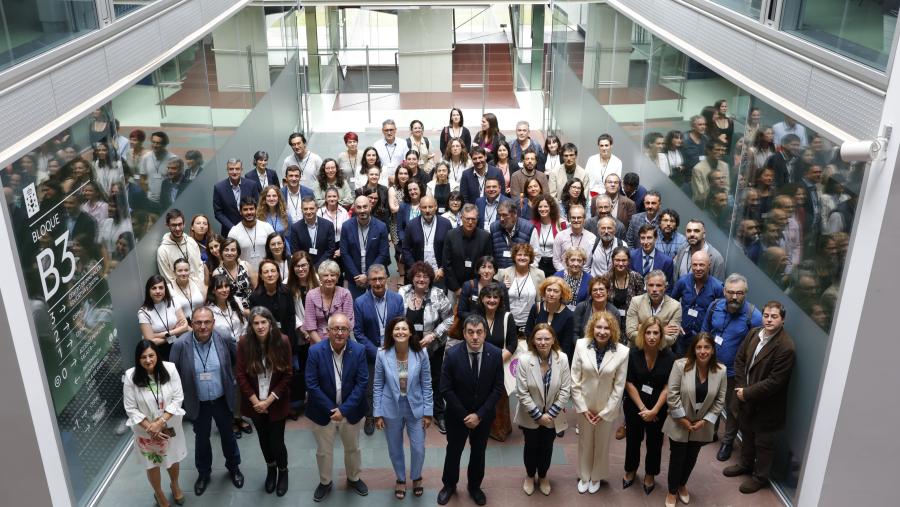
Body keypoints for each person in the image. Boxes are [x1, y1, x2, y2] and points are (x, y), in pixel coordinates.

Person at [168, 307, 244, 496]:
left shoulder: (224, 337)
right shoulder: (180, 345)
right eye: (198, 322)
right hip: (198, 402)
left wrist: (233, 382)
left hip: (221, 399)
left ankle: (234, 467)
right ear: (191, 323)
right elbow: (173, 375)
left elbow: (236, 361)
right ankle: (203, 474)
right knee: (201, 439)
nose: (203, 326)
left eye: (207, 322)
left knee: (228, 435)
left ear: (213, 323)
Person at [724, 301, 796, 494]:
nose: (769, 320)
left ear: (782, 320)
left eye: (774, 316)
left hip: (767, 406)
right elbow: (739, 360)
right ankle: (745, 465)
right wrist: (741, 388)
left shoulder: (786, 347)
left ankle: (760, 478)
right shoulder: (754, 333)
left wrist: (746, 393)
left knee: (764, 444)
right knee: (747, 434)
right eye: (766, 315)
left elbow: (774, 382)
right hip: (745, 398)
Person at [437, 314, 505, 506]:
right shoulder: (452, 354)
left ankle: (474, 486)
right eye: (470, 332)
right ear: (464, 334)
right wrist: (465, 415)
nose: (475, 337)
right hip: (457, 416)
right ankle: (449, 485)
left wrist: (479, 415)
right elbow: (445, 388)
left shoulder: (495, 354)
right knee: (453, 451)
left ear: (485, 333)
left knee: (479, 452)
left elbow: (497, 388)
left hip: (483, 416)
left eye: (479, 332)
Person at [305, 312, 370, 502]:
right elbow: (311, 384)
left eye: (344, 329)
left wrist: (344, 410)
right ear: (328, 330)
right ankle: (325, 482)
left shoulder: (359, 350)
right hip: (322, 412)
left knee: (353, 448)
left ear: (349, 331)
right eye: (335, 328)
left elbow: (362, 383)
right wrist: (333, 410)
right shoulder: (315, 351)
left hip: (351, 411)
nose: (340, 333)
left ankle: (354, 478)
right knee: (323, 451)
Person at [701, 273, 763, 462]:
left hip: (734, 373)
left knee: (733, 409)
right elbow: (705, 331)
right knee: (710, 400)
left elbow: (756, 350)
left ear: (745, 293)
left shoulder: (754, 317)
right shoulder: (714, 306)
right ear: (724, 292)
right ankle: (710, 433)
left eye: (739, 293)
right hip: (711, 367)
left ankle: (728, 442)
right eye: (730, 292)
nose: (734, 297)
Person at [663, 333, 727, 507]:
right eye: (699, 347)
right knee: (677, 458)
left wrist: (704, 421)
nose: (702, 351)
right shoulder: (680, 365)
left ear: (713, 350)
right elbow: (672, 395)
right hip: (679, 422)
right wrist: (682, 419)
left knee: (692, 457)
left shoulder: (721, 371)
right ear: (693, 349)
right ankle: (672, 491)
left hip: (701, 425)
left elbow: (720, 400)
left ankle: (682, 484)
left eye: (707, 347)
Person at [373, 317, 433, 499]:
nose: (400, 332)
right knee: (394, 447)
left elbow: (427, 383)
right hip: (390, 407)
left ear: (410, 332)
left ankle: (416, 476)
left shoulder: (421, 354)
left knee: (418, 448)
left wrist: (428, 412)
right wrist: (377, 413)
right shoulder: (382, 354)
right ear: (391, 333)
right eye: (397, 329)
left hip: (416, 407)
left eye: (404, 329)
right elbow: (377, 384)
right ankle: (400, 478)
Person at [235, 307, 293, 496]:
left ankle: (283, 471)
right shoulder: (244, 343)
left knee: (277, 441)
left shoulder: (283, 341)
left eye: (263, 322)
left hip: (275, 401)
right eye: (256, 323)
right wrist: (255, 401)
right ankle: (271, 469)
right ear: (251, 326)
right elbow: (240, 375)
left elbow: (287, 374)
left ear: (270, 323)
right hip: (254, 403)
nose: (260, 326)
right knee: (263, 440)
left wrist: (268, 401)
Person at [570, 310, 629, 494]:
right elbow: (575, 379)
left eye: (606, 328)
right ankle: (584, 475)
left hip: (606, 407)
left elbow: (619, 386)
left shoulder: (622, 352)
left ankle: (596, 476)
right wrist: (582, 407)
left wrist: (606, 412)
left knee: (602, 444)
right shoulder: (581, 345)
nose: (602, 332)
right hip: (584, 405)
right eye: (599, 327)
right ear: (592, 328)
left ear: (613, 330)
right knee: (585, 442)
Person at [123, 340, 187, 507]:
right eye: (143, 357)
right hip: (146, 431)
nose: (148, 360)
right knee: (152, 463)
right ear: (138, 359)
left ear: (157, 355)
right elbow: (130, 408)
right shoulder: (130, 376)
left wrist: (160, 422)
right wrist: (151, 428)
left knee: (172, 458)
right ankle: (158, 493)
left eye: (151, 355)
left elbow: (178, 398)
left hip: (169, 425)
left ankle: (175, 484)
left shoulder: (170, 369)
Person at [514, 324, 571, 496]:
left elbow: (565, 390)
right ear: (533, 340)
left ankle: (544, 476)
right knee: (530, 446)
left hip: (553, 416)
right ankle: (530, 476)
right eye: (539, 338)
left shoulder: (562, 358)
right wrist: (539, 416)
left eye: (547, 338)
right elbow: (521, 392)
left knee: (547, 447)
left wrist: (550, 415)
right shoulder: (524, 360)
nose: (543, 342)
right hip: (530, 415)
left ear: (553, 340)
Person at [622, 317, 676, 495]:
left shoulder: (669, 357)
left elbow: (668, 386)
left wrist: (654, 411)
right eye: (648, 332)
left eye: (656, 333)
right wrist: (643, 409)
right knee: (633, 439)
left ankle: (650, 474)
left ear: (661, 335)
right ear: (642, 334)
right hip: (634, 405)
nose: (652, 336)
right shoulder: (633, 354)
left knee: (655, 442)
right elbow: (629, 383)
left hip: (658, 407)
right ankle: (630, 470)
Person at [399, 262, 454, 429]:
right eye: (418, 276)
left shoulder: (438, 294)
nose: (421, 279)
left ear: (431, 279)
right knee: (406, 377)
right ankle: (407, 412)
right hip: (407, 346)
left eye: (425, 276)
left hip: (433, 346)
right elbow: (395, 317)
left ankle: (438, 413)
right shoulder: (403, 292)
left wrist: (434, 335)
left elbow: (450, 319)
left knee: (435, 379)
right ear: (412, 278)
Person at [353, 265, 405, 435]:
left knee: (393, 386)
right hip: (371, 353)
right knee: (369, 388)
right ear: (368, 281)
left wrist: (391, 350)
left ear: (387, 279)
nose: (377, 283)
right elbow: (358, 333)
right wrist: (377, 352)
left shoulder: (397, 299)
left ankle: (390, 415)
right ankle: (370, 416)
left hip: (393, 350)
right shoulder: (360, 302)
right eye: (374, 279)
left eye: (381, 278)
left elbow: (401, 327)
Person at [472, 283, 518, 442]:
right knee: (481, 398)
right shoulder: (475, 317)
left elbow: (513, 343)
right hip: (478, 364)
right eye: (488, 297)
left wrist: (497, 361)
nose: (492, 300)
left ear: (500, 300)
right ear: (482, 299)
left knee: (499, 400)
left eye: (495, 297)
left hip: (500, 365)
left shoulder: (507, 317)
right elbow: (471, 340)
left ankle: (500, 430)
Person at [671, 251, 725, 356]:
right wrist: (676, 323)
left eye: (701, 265)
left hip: (703, 340)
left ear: (709, 265)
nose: (698, 268)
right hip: (682, 336)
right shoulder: (683, 281)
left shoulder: (717, 287)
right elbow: (672, 302)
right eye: (695, 265)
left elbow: (721, 314)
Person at [286, 251, 319, 416]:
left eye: (304, 265)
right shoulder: (287, 285)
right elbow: (289, 312)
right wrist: (303, 329)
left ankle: (316, 399)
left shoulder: (318, 280)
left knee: (318, 366)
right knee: (304, 366)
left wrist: (313, 330)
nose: (301, 269)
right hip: (300, 334)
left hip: (318, 332)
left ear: (309, 265)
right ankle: (304, 398)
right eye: (297, 266)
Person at [340, 195, 391, 298]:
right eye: (359, 207)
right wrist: (357, 276)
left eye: (365, 206)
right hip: (354, 278)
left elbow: (383, 254)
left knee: (379, 305)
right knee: (356, 306)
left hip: (376, 277)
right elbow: (345, 253)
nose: (362, 210)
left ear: (370, 207)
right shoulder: (346, 226)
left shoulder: (381, 227)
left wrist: (368, 275)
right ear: (354, 208)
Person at [442, 203, 494, 295]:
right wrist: (456, 288)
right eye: (467, 219)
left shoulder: (485, 237)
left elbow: (487, 263)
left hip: (478, 287)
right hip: (454, 288)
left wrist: (479, 285)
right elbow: (447, 264)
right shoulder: (451, 235)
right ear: (461, 218)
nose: (470, 222)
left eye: (473, 219)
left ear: (477, 219)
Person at [624, 270, 682, 347]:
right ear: (646, 286)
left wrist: (641, 327)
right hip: (637, 349)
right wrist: (661, 330)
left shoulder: (675, 306)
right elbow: (630, 333)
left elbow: (671, 339)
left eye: (658, 285)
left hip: (661, 351)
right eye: (651, 285)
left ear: (665, 287)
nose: (654, 289)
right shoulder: (636, 301)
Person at [496, 243, 546, 332]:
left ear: (530, 258)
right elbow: (493, 294)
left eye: (526, 255)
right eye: (519, 254)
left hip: (531, 322)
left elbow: (543, 299)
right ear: (514, 257)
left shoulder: (539, 274)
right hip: (507, 321)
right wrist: (501, 286)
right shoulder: (503, 273)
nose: (522, 257)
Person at [139, 275, 190, 361]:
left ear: (165, 289)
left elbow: (184, 327)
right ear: (148, 290)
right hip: (160, 352)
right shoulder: (143, 312)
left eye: (161, 287)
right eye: (154, 288)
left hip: (180, 344)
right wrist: (174, 334)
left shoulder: (173, 301)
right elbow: (151, 341)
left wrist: (157, 335)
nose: (158, 291)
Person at [402, 195, 452, 284]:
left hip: (439, 273)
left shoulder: (446, 224)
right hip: (418, 274)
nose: (427, 210)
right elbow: (406, 249)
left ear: (436, 207)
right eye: (424, 207)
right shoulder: (411, 225)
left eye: (430, 207)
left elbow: (450, 250)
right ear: (419, 208)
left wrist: (443, 269)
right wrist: (415, 269)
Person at [303, 260, 354, 345]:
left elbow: (349, 323)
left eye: (333, 275)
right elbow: (310, 326)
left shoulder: (345, 294)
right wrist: (323, 347)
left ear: (337, 278)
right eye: (325, 275)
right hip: (317, 343)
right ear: (320, 278)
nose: (329, 279)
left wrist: (336, 344)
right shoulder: (311, 295)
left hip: (341, 340)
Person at [248, 260, 297, 348]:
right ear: (261, 276)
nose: (270, 275)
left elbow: (291, 317)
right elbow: (256, 322)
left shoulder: (287, 291)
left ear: (278, 274)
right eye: (266, 272)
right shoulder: (254, 297)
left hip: (288, 339)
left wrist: (288, 340)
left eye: (273, 271)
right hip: (266, 343)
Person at [157, 209, 204, 289]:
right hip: (180, 293)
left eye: (180, 224)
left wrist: (200, 288)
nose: (178, 228)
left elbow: (200, 266)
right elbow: (168, 279)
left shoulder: (191, 242)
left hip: (198, 289)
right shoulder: (163, 250)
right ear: (167, 225)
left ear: (184, 224)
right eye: (174, 225)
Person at [213, 158, 260, 236]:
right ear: (227, 170)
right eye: (231, 169)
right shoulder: (219, 188)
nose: (234, 172)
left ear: (241, 170)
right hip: (229, 231)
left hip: (251, 228)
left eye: (237, 169)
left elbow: (257, 206)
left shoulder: (252, 185)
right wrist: (233, 228)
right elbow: (218, 213)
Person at [457, 256, 510, 320]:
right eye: (483, 267)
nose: (486, 271)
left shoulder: (501, 287)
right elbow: (461, 312)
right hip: (474, 323)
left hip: (495, 323)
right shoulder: (468, 285)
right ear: (478, 270)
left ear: (494, 271)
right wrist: (479, 319)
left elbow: (506, 311)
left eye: (490, 267)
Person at [288, 197, 336, 268]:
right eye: (305, 209)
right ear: (302, 210)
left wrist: (317, 266)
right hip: (304, 267)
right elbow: (295, 251)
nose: (308, 212)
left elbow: (330, 249)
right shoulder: (295, 228)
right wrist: (307, 266)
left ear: (317, 209)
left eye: (311, 208)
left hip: (324, 267)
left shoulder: (328, 225)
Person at [228, 197, 275, 266]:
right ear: (240, 212)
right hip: (245, 271)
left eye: (251, 209)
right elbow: (231, 256)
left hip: (266, 271)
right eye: (245, 209)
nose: (249, 212)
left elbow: (275, 249)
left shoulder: (267, 227)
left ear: (256, 210)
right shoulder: (234, 232)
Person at [212, 237, 257, 310]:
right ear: (221, 252)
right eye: (226, 250)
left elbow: (256, 289)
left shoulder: (246, 265)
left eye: (233, 250)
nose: (229, 253)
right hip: (230, 311)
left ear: (237, 252)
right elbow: (218, 298)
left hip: (251, 308)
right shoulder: (217, 272)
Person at [608, 247, 645, 331]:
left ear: (628, 261)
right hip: (610, 323)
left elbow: (642, 302)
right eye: (617, 260)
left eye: (624, 260)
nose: (621, 263)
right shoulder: (606, 278)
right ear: (612, 260)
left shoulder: (636, 277)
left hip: (632, 323)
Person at [490, 199, 535, 269]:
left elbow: (536, 255)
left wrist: (526, 272)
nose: (501, 219)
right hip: (499, 271)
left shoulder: (528, 228)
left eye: (505, 215)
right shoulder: (494, 228)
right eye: (499, 215)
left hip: (521, 271)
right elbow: (491, 254)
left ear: (515, 214)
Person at [530, 194, 566, 276]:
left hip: (555, 264)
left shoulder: (560, 223)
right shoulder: (531, 224)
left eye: (546, 206)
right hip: (537, 263)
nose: (543, 209)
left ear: (551, 208)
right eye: (540, 207)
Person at [552, 204, 596, 272]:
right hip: (564, 274)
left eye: (579, 217)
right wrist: (566, 274)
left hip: (585, 275)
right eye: (573, 217)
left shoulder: (592, 238)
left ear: (584, 219)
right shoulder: (560, 236)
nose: (576, 220)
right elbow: (556, 260)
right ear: (569, 219)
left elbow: (594, 262)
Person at [573, 276, 619, 341]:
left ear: (608, 292)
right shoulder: (581, 307)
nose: (598, 292)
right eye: (594, 290)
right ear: (591, 293)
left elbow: (614, 335)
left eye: (601, 289)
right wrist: (581, 346)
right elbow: (574, 334)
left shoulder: (614, 312)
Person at [138, 131, 177, 206]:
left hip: (167, 202)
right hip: (150, 201)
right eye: (153, 142)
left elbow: (177, 181)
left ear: (164, 144)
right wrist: (147, 192)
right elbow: (142, 178)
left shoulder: (173, 159)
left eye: (158, 143)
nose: (155, 145)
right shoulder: (146, 157)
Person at [692, 140, 730, 207]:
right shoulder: (698, 169)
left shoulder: (724, 166)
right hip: (703, 204)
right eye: (717, 150)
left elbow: (727, 187)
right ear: (709, 151)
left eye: (722, 150)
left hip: (722, 202)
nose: (721, 152)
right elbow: (699, 195)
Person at [257, 186, 292, 252]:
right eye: (268, 196)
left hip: (283, 250)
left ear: (279, 198)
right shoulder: (259, 216)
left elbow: (289, 236)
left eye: (274, 196)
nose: (271, 198)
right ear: (264, 199)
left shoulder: (286, 215)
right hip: (266, 251)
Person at [374, 119, 406, 183]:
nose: (389, 133)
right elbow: (375, 164)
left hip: (399, 178)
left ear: (395, 130)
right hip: (382, 179)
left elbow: (406, 161)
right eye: (386, 130)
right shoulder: (377, 145)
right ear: (382, 131)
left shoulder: (403, 143)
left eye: (391, 130)